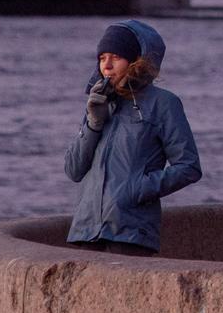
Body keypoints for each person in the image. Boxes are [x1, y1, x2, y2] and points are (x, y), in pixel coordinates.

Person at [65, 19, 201, 256]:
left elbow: (189, 167)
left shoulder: (163, 104)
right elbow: (73, 169)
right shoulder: (98, 103)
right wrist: (93, 123)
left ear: (136, 60)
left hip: (130, 234)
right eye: (101, 58)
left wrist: (136, 190)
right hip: (85, 233)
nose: (106, 65)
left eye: (115, 57)